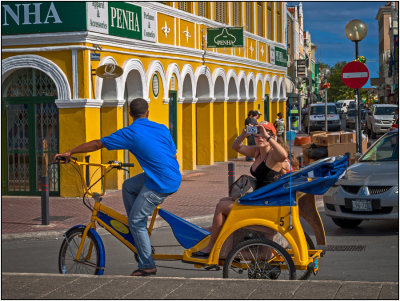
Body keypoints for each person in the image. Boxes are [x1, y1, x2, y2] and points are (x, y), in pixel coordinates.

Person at [53, 98, 181, 277]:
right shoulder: (162, 128)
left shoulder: (131, 132)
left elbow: (98, 144)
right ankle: (137, 231)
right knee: (128, 186)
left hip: (161, 182)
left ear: (129, 114)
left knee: (136, 221)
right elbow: (173, 155)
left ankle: (147, 264)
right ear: (148, 113)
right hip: (172, 174)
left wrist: (70, 152)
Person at [192, 122, 289, 258]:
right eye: (256, 135)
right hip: (258, 200)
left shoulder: (273, 155)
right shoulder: (257, 151)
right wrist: (243, 134)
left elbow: (283, 155)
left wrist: (267, 137)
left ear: (271, 136)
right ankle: (216, 235)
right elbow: (236, 146)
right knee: (224, 200)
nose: (259, 138)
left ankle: (211, 247)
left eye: (263, 135)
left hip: (266, 205)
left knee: (222, 206)